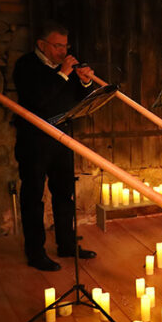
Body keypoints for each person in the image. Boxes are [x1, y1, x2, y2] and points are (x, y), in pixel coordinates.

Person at [12, 21, 98, 271]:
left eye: (65, 45)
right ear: (41, 44)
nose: (63, 50)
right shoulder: (26, 65)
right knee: (33, 197)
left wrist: (84, 82)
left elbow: (77, 100)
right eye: (58, 45)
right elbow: (38, 99)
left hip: (62, 137)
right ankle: (35, 252)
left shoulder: (67, 68)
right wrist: (62, 73)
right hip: (34, 140)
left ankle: (67, 244)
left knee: (64, 194)